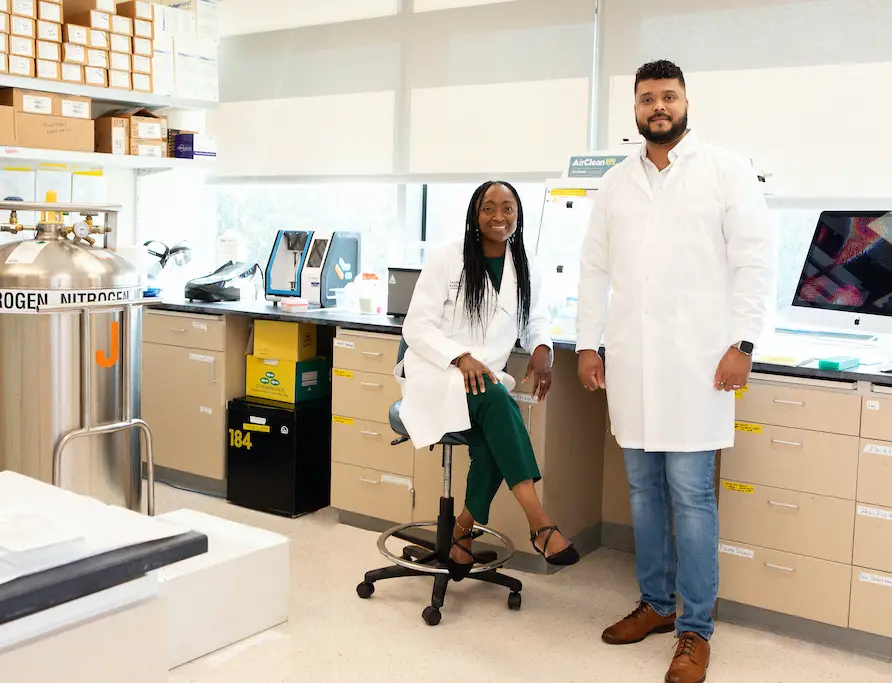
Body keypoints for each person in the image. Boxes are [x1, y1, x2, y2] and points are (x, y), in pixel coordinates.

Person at [576, 60, 774, 683]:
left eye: (668, 96)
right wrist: (587, 345)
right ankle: (657, 605)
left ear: (686, 101)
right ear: (634, 109)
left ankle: (695, 631)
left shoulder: (726, 170)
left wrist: (743, 342)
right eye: (646, 99)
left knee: (691, 498)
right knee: (643, 493)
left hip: (699, 367)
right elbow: (592, 271)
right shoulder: (614, 183)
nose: (657, 107)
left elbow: (754, 262)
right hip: (631, 363)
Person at [397, 180, 580, 581]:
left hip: (484, 381)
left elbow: (535, 320)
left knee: (496, 435)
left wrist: (542, 351)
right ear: (475, 214)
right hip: (437, 371)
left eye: (508, 208)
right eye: (489, 208)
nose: (499, 217)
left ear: (518, 214)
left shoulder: (524, 264)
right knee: (500, 404)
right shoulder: (447, 258)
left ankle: (462, 532)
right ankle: (539, 521)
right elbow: (417, 326)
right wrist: (460, 357)